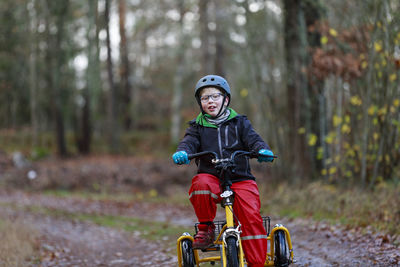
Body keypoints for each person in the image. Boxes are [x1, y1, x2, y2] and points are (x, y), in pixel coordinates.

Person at [172, 74, 274, 267]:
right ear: (200, 103)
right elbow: (189, 143)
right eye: (205, 98)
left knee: (251, 218)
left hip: (240, 178)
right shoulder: (196, 127)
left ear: (225, 99)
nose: (210, 101)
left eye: (215, 96)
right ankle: (206, 227)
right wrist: (183, 152)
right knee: (200, 183)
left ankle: (257, 263)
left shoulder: (240, 122)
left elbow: (253, 139)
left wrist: (261, 150)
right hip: (212, 177)